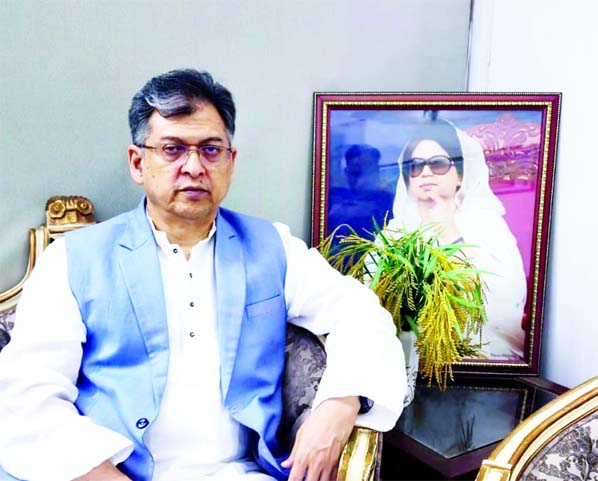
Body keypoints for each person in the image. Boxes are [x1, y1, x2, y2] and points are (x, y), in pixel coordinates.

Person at [0, 69, 405, 481]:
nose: (193, 166)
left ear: (230, 162)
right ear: (138, 163)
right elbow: (29, 396)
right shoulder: (74, 259)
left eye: (211, 150)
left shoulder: (272, 247)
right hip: (111, 474)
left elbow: (361, 315)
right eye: (172, 149)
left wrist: (339, 404)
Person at [388, 117, 527, 360]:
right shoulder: (395, 233)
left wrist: (449, 230)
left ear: (460, 175)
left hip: (481, 355)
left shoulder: (488, 225)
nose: (426, 173)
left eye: (438, 164)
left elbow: (506, 304)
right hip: (408, 358)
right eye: (416, 166)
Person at [327, 144, 394, 239]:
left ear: (377, 171)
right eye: (356, 174)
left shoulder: (392, 201)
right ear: (346, 172)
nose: (362, 181)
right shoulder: (331, 199)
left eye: (368, 173)